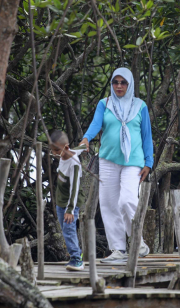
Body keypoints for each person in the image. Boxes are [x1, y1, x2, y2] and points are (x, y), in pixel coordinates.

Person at [81, 68, 154, 265]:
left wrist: (149, 162)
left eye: (123, 83)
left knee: (127, 201)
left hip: (133, 162)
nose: (119, 86)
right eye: (115, 82)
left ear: (129, 84)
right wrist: (86, 138)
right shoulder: (105, 104)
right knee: (108, 204)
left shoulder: (140, 106)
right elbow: (96, 125)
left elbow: (147, 136)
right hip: (107, 160)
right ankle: (118, 249)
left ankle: (138, 242)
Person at [49, 130, 86, 271]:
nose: (54, 153)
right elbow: (77, 149)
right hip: (61, 202)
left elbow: (74, 189)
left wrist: (70, 209)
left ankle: (77, 259)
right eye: (52, 150)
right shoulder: (64, 152)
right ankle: (73, 257)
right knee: (65, 230)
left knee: (69, 228)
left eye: (56, 150)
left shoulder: (74, 164)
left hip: (72, 202)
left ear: (65, 147)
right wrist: (84, 146)